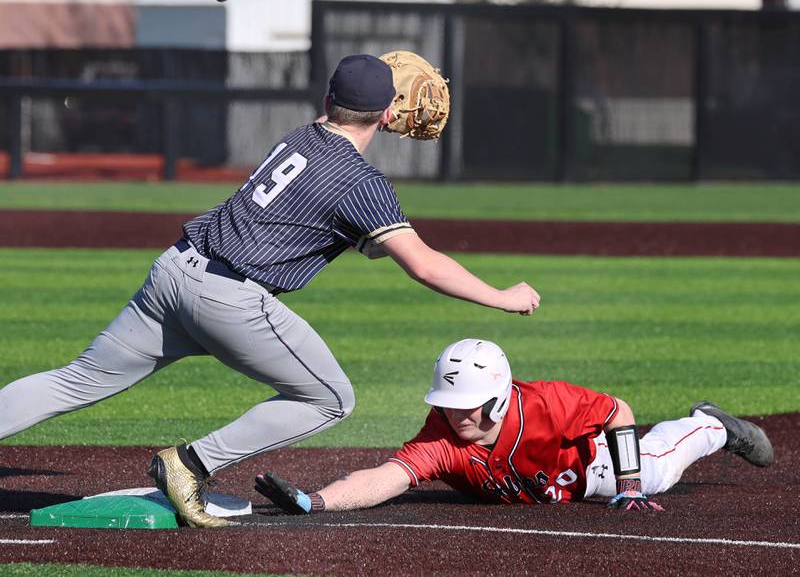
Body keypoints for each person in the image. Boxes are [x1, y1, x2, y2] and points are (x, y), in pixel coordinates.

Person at [0, 56, 541, 528]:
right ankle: (190, 463)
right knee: (330, 399)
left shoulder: (299, 137)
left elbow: (318, 214)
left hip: (173, 271)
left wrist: (369, 98)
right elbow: (423, 265)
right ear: (385, 116)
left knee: (75, 381)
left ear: (328, 98)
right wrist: (502, 295)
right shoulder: (364, 184)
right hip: (228, 301)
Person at [255, 338, 774, 514]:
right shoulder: (442, 436)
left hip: (586, 469)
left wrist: (630, 487)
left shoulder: (546, 403)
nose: (456, 414)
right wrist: (314, 501)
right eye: (449, 402)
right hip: (543, 489)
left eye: (469, 404)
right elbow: (384, 476)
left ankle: (710, 426)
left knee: (658, 468)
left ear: (499, 400)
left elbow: (619, 411)